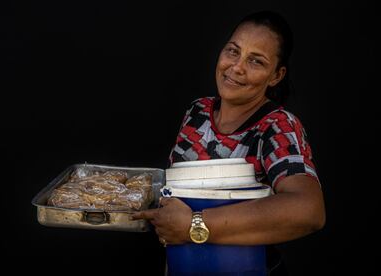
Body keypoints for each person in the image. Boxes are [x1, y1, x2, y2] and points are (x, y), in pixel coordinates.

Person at [132, 10, 326, 275]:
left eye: (255, 61)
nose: (237, 67)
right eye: (233, 51)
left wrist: (194, 224)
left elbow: (309, 210)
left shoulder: (276, 127)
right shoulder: (198, 111)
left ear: (276, 75)